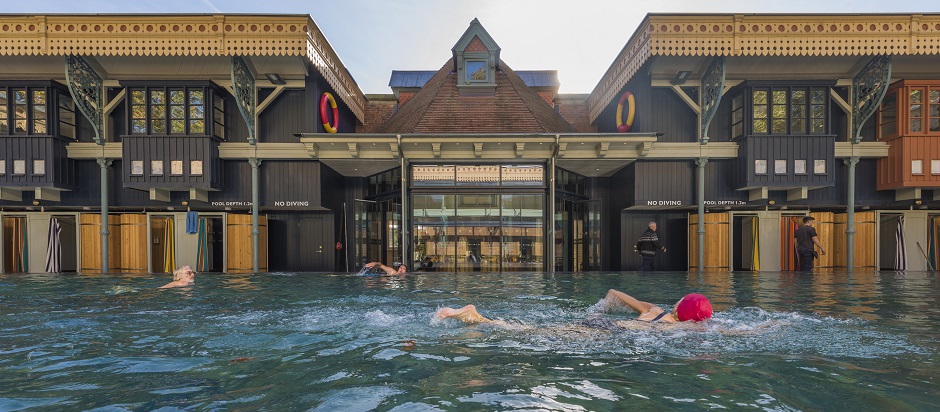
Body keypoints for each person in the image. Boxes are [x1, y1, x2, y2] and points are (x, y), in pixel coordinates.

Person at [435, 289, 712, 325]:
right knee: (531, 334)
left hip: (603, 324)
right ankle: (475, 318)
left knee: (535, 329)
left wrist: (601, 309)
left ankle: (477, 317)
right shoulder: (682, 329)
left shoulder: (653, 310)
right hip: (606, 335)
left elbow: (613, 293)